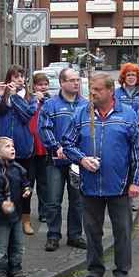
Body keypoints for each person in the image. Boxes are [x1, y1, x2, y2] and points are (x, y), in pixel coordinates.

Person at [62, 72, 139, 277]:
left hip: (119, 185)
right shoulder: (82, 114)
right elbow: (67, 143)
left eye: (97, 90)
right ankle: (95, 270)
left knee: (122, 231)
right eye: (91, 89)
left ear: (110, 91)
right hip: (89, 185)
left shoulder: (128, 115)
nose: (92, 93)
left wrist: (136, 182)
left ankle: (121, 272)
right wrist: (82, 159)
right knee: (92, 230)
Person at [0, 65, 38, 235]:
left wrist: (15, 98)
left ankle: (26, 219)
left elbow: (27, 116)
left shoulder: (30, 98)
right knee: (1, 183)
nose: (20, 80)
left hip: (23, 148)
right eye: (16, 77)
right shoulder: (3, 97)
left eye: (22, 77)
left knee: (24, 186)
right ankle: (3, 218)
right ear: (9, 79)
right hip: (2, 148)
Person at [39, 68, 87, 252]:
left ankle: (75, 235)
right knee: (53, 200)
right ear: (62, 83)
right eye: (72, 80)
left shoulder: (86, 105)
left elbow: (88, 131)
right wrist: (57, 147)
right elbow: (44, 128)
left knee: (78, 201)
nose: (76, 83)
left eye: (78, 80)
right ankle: (53, 235)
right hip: (55, 161)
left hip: (77, 162)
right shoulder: (51, 105)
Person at [0, 137, 31, 277]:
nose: (12, 149)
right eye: (8, 146)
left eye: (13, 146)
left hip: (16, 214)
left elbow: (25, 182)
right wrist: (1, 203)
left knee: (18, 243)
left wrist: (27, 189)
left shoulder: (18, 168)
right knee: (1, 245)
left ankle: (15, 267)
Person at [28, 72, 50, 224]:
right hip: (30, 147)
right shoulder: (29, 100)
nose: (43, 87)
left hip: (44, 147)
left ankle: (44, 212)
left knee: (44, 183)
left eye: (45, 84)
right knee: (28, 182)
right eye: (40, 84)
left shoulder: (50, 101)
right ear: (34, 86)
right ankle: (25, 212)